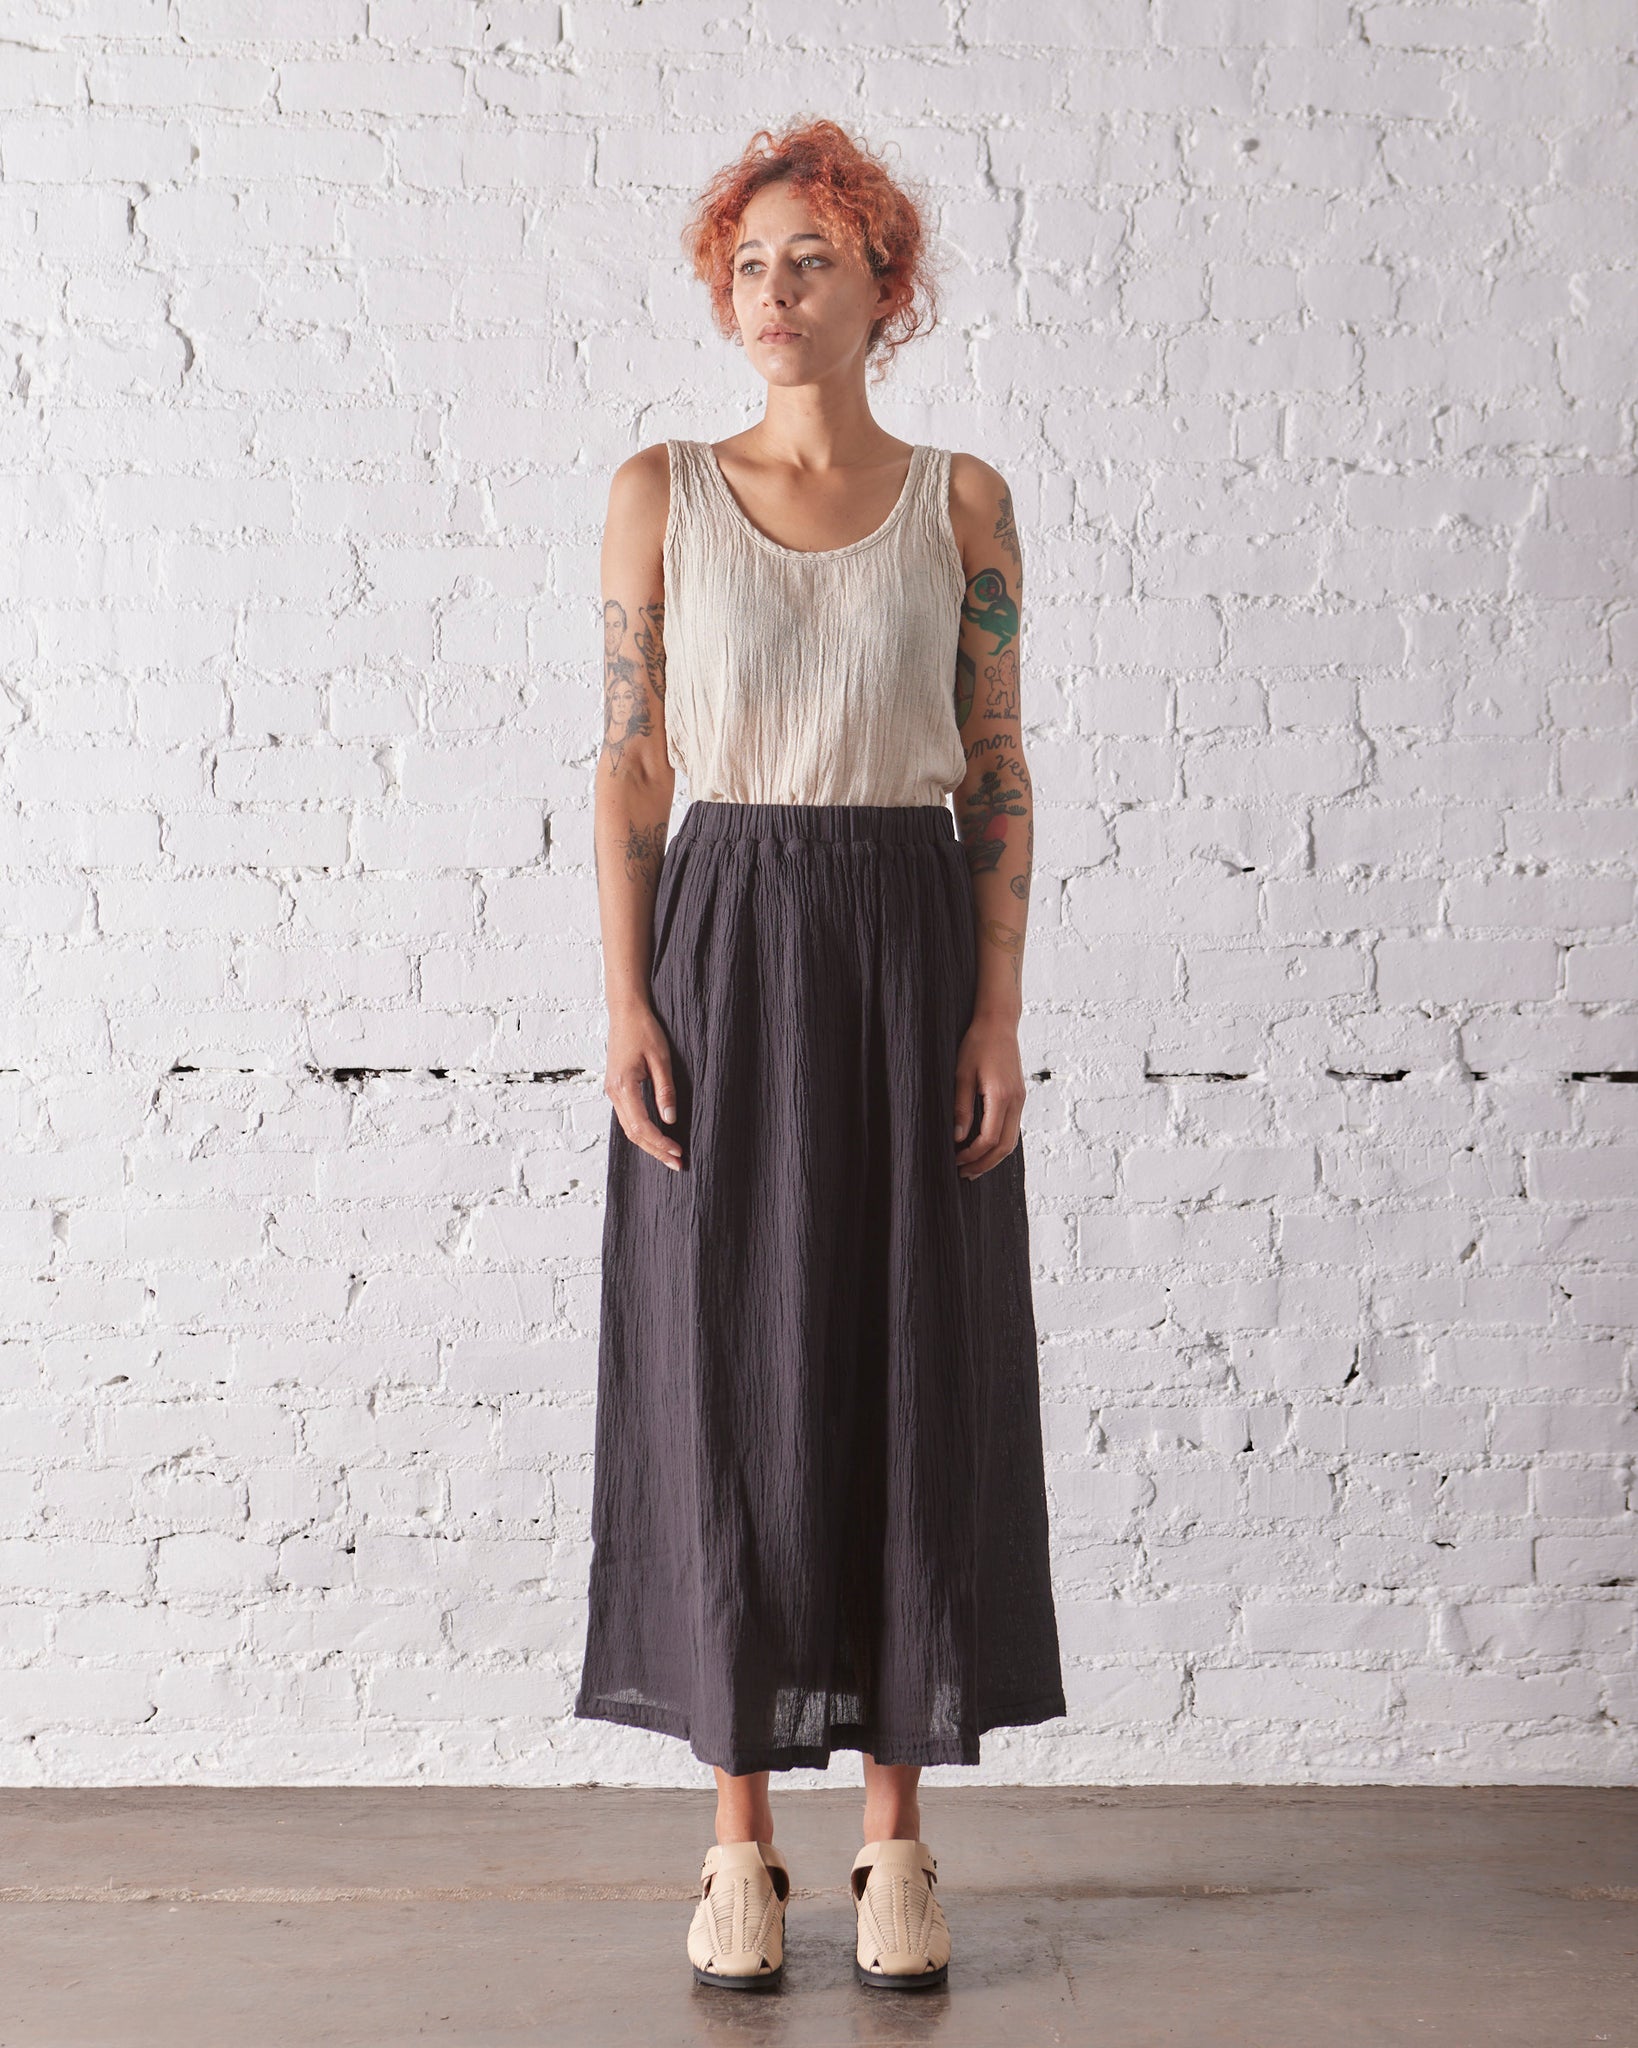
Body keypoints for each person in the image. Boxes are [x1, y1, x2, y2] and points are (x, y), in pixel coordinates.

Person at [573, 115, 1066, 1994]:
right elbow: (633, 762)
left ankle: (895, 1845)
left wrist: (996, 1011)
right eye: (747, 266)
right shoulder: (660, 490)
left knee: (905, 1358)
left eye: (810, 261)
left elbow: (995, 765)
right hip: (722, 937)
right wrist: (626, 1000)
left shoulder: (959, 502)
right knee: (724, 1370)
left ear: (884, 287)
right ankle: (735, 1850)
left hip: (907, 933)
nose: (771, 294)